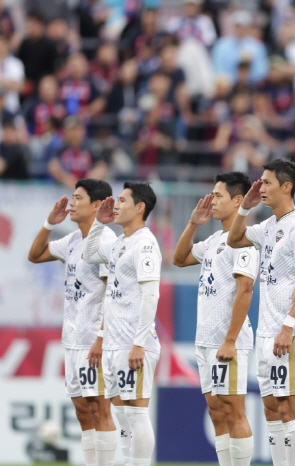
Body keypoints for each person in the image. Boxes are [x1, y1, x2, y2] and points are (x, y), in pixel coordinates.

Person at [226, 159, 295, 466]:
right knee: (271, 408)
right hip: (266, 332)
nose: (260, 188)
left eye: (267, 183)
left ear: (286, 186)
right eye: (260, 182)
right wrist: (243, 208)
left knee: (289, 407)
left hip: (288, 331)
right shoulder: (269, 225)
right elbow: (234, 239)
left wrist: (288, 326)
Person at [27, 179, 118, 466]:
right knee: (81, 408)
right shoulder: (73, 240)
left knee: (100, 408)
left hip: (94, 339)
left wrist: (101, 339)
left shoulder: (105, 242)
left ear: (96, 205)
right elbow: (35, 255)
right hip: (73, 337)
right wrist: (49, 223)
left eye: (78, 198)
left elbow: (112, 293)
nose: (71, 203)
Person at [173, 172, 257, 466]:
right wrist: (193, 224)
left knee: (234, 411)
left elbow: (245, 289)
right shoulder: (213, 240)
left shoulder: (245, 240)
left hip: (227, 339)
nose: (212, 200)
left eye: (218, 195)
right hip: (206, 338)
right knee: (215, 410)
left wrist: (230, 340)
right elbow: (179, 258)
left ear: (237, 201)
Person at [82, 181, 162, 466]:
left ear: (140, 207)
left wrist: (139, 343)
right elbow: (89, 254)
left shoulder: (146, 244)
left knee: (137, 412)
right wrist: (97, 224)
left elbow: (151, 294)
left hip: (134, 343)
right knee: (123, 413)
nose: (116, 205)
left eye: (123, 200)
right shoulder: (119, 243)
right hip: (115, 344)